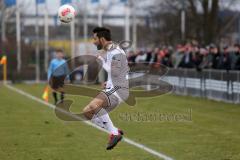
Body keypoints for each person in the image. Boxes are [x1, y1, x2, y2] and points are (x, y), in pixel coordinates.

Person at [82, 27, 129, 150]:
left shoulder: (115, 51)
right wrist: (108, 83)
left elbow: (116, 71)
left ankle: (114, 133)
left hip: (120, 88)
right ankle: (115, 131)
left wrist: (102, 61)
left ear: (102, 39)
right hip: (113, 87)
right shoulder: (110, 51)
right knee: (87, 113)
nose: (93, 41)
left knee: (94, 106)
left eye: (95, 39)